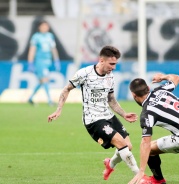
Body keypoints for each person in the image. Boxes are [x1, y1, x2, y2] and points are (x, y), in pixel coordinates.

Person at [47, 45, 139, 180]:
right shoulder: (84, 73)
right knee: (121, 144)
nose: (113, 67)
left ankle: (110, 164)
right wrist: (58, 109)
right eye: (111, 64)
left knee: (128, 146)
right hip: (93, 120)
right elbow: (67, 89)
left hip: (108, 116)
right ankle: (139, 176)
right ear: (101, 60)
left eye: (115, 64)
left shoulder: (110, 76)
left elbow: (111, 99)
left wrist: (124, 114)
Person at [27, 20, 60, 106]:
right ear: (39, 27)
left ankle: (30, 98)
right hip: (40, 61)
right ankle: (49, 100)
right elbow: (32, 50)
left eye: (46, 26)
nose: (45, 28)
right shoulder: (36, 37)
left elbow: (53, 49)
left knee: (42, 81)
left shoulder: (50, 36)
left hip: (48, 61)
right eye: (43, 26)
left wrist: (56, 60)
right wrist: (30, 63)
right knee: (45, 79)